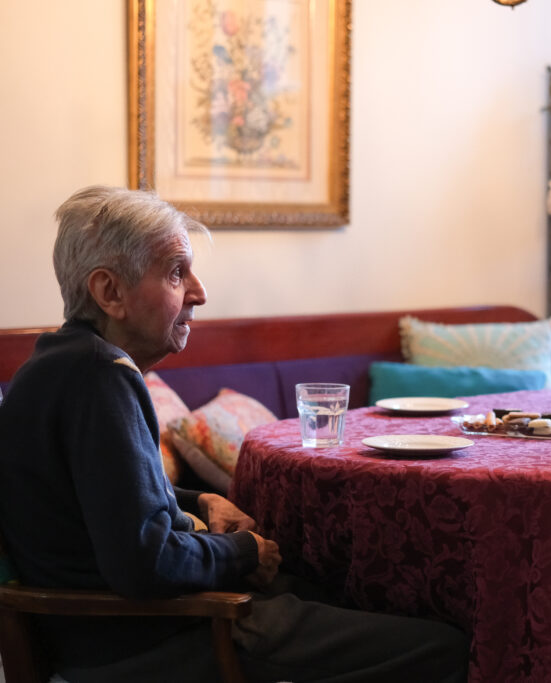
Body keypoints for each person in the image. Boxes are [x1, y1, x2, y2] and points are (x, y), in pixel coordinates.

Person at [0, 186, 469, 682]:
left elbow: (101, 493)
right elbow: (145, 562)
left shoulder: (56, 364)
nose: (199, 292)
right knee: (444, 648)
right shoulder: (102, 377)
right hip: (151, 639)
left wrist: (200, 501)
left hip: (116, 632)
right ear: (109, 292)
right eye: (177, 272)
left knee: (334, 586)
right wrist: (245, 553)